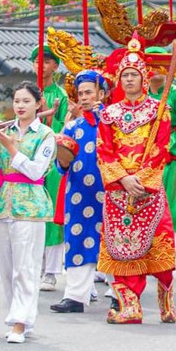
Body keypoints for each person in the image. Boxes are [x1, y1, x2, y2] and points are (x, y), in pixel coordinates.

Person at [97, 41, 176, 326]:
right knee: (120, 250)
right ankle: (130, 307)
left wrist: (140, 180)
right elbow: (104, 150)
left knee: (159, 244)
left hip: (148, 190)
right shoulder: (108, 114)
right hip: (118, 190)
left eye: (134, 74)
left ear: (144, 78)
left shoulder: (160, 110)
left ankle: (166, 299)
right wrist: (123, 178)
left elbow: (161, 149)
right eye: (125, 74)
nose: (129, 79)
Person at [0, 82, 56, 344]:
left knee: (26, 267)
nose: (20, 106)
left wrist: (12, 148)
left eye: (26, 101)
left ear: (38, 104)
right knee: (6, 267)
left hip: (30, 207)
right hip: (2, 204)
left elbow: (37, 171)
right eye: (16, 101)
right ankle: (19, 315)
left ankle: (20, 322)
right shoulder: (4, 130)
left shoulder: (46, 135)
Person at [50, 69, 111, 314]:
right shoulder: (72, 126)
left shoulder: (114, 122)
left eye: (89, 92)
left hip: (110, 192)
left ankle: (120, 292)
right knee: (77, 238)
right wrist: (62, 158)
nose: (84, 97)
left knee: (113, 241)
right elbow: (61, 166)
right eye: (81, 93)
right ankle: (75, 296)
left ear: (102, 94)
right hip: (78, 193)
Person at [31, 45, 69, 293]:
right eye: (36, 61)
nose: (40, 65)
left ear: (55, 66)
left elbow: (62, 132)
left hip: (52, 163)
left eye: (45, 61)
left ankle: (52, 271)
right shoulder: (28, 92)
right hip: (29, 161)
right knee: (33, 214)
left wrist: (48, 113)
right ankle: (34, 266)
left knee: (53, 216)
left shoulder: (61, 96)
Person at [147, 48, 176, 234]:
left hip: (171, 154)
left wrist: (167, 147)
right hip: (146, 153)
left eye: (159, 64)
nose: (155, 69)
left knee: (171, 198)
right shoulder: (142, 94)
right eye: (150, 64)